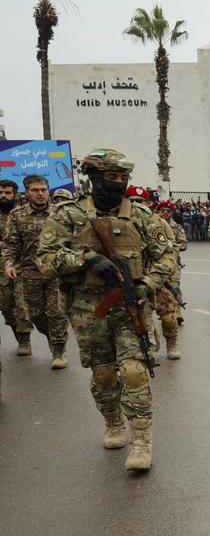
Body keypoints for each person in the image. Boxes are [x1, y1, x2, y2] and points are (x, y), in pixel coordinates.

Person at [36, 148, 175, 471]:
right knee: (103, 374)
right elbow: (45, 260)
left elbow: (166, 256)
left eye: (123, 178)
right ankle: (113, 421)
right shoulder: (68, 215)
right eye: (111, 177)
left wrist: (147, 284)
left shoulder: (140, 215)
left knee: (134, 370)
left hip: (131, 304)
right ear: (94, 178)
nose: (118, 183)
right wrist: (86, 259)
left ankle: (141, 439)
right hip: (89, 308)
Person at [3, 174, 69, 368]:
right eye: (35, 190)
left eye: (43, 190)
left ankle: (59, 349)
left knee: (56, 312)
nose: (40, 194)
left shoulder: (62, 213)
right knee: (36, 315)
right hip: (30, 273)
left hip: (57, 273)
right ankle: (52, 336)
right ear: (27, 193)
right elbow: (11, 245)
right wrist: (8, 264)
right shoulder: (17, 215)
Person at [0, 179, 32, 355]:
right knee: (5, 306)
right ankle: (18, 335)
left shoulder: (23, 214)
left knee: (22, 304)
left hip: (21, 266)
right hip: (0, 269)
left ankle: (25, 339)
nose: (3, 196)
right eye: (1, 193)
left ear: (15, 194)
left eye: (7, 193)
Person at [152, 199, 186, 359]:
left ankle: (172, 343)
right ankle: (150, 341)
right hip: (144, 272)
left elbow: (180, 244)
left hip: (168, 266)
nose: (165, 212)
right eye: (162, 210)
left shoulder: (174, 227)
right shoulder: (140, 222)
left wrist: (173, 249)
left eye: (168, 210)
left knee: (168, 311)